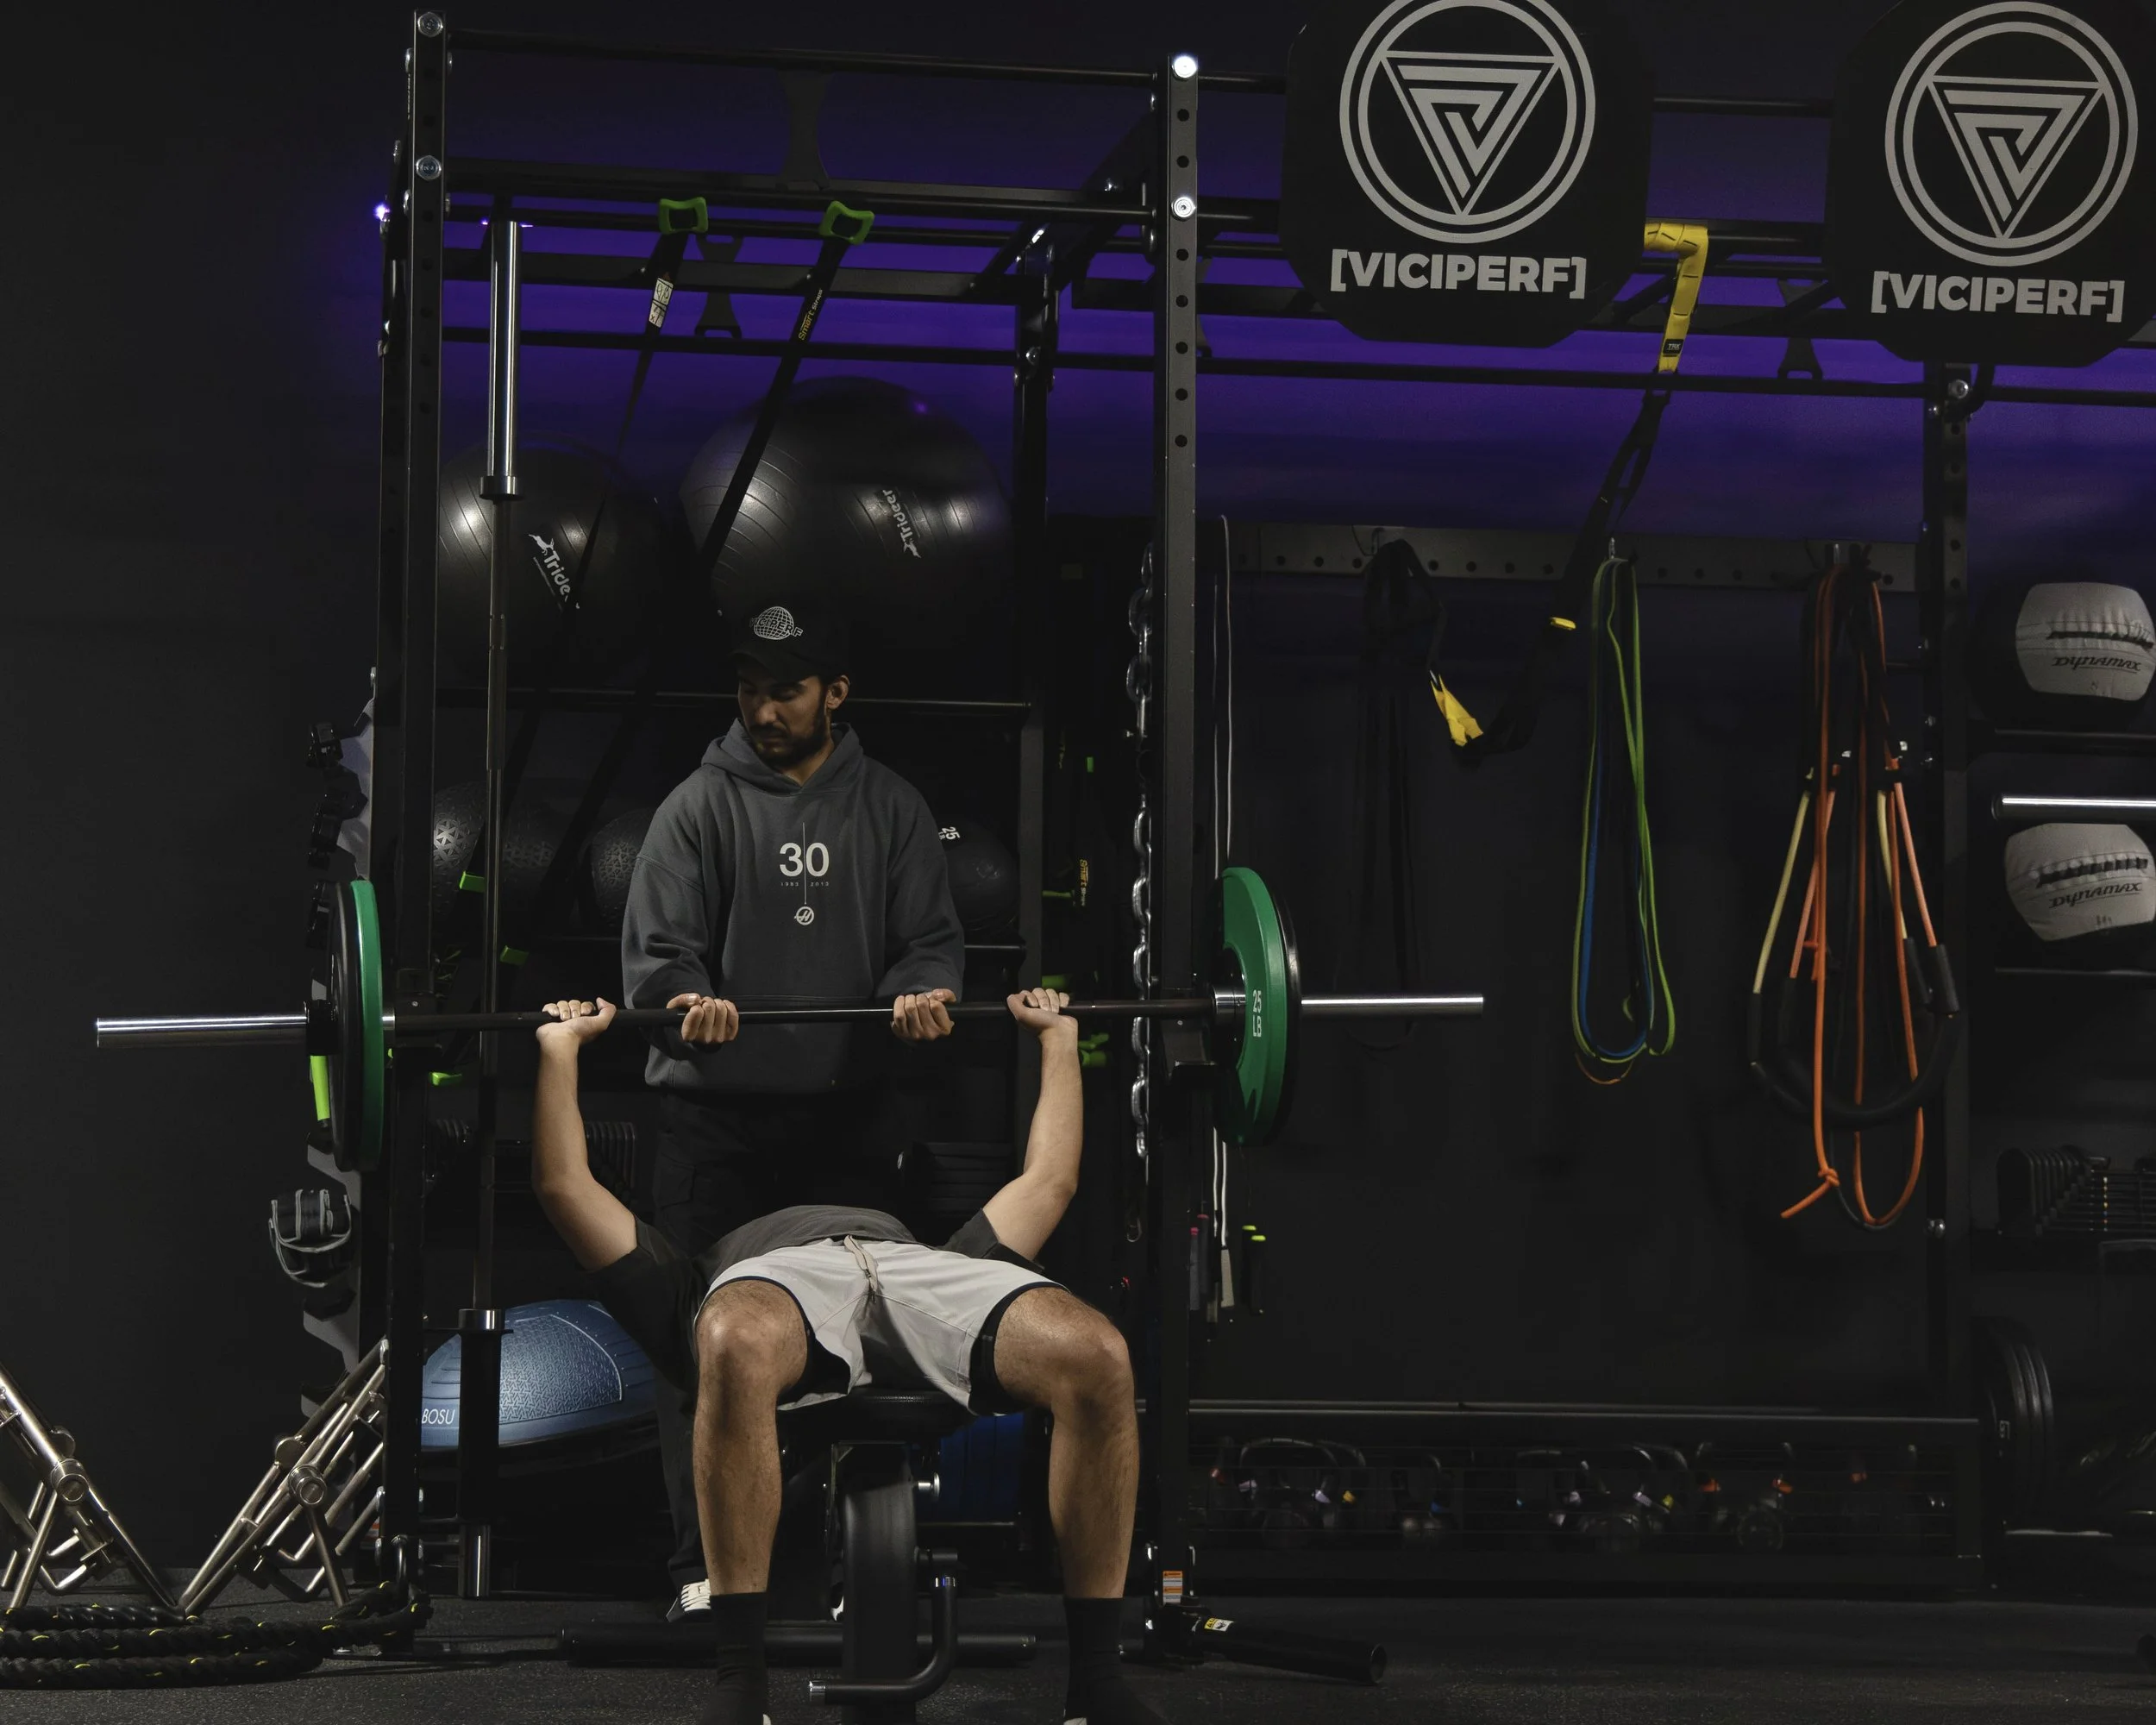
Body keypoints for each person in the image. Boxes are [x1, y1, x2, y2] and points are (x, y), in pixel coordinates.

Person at [533, 990, 1168, 1725]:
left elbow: (1049, 1182)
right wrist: (561, 1051)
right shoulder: (694, 1282)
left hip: (917, 1270)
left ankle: (1096, 1686)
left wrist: (1058, 1037)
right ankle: (740, 1687)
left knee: (1097, 1351)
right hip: (780, 1289)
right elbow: (563, 1185)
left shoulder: (945, 1252)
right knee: (733, 1338)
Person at [622, 596, 966, 1616]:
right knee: (698, 1345)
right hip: (714, 1129)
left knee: (849, 1341)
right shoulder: (697, 805)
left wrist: (923, 992)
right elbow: (658, 958)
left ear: (835, 693)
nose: (763, 709)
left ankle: (836, 1565)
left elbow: (931, 942)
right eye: (750, 688)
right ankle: (704, 1572)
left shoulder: (891, 807)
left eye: (786, 690)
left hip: (846, 1123)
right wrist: (687, 1003)